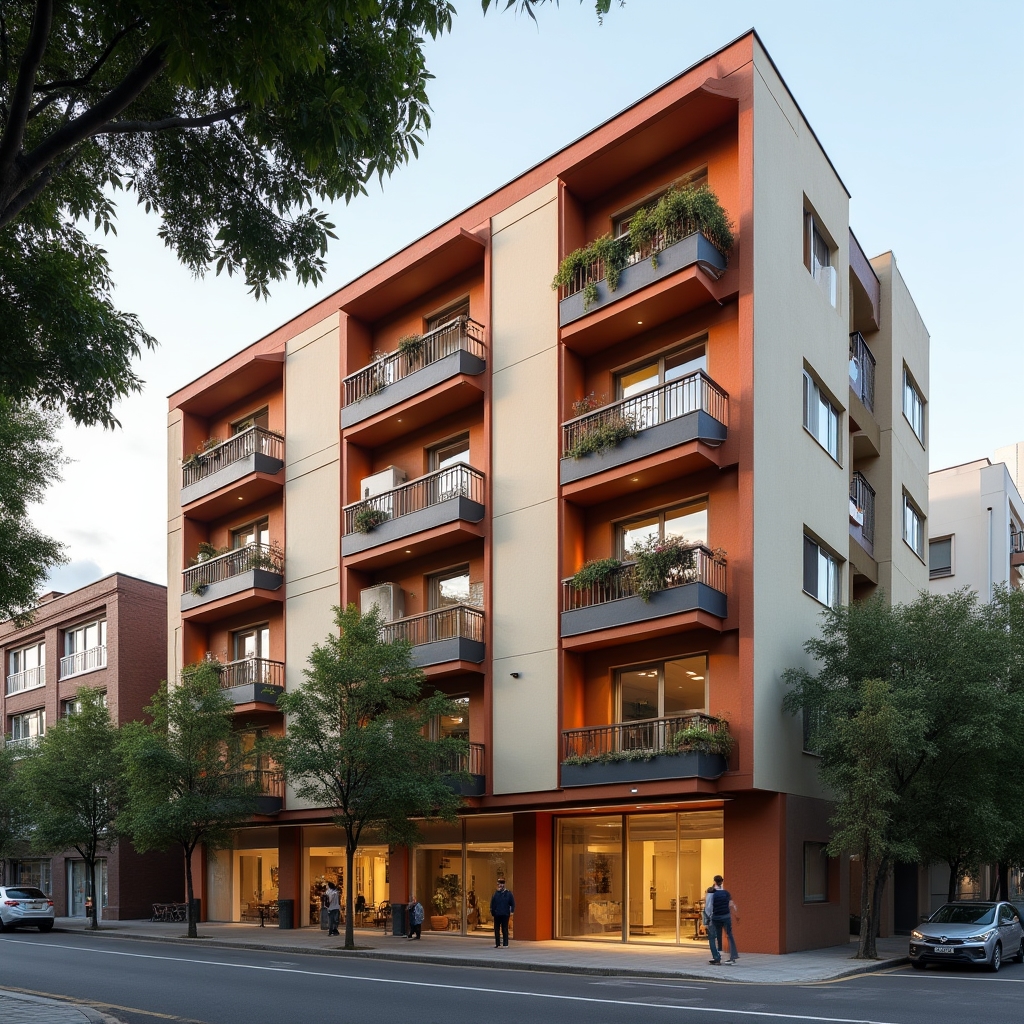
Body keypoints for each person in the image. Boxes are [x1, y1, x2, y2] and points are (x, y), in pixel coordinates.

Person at [705, 875, 739, 964]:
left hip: (716, 917)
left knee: (712, 937)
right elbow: (731, 904)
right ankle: (733, 957)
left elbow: (708, 907)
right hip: (726, 916)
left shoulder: (711, 892)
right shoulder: (726, 893)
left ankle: (717, 958)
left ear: (714, 881)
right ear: (722, 882)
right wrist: (735, 914)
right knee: (729, 935)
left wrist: (707, 919)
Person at [490, 878, 515, 948]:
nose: (500, 886)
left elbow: (512, 903)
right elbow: (492, 903)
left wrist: (512, 911)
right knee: (496, 929)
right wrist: (492, 912)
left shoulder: (508, 894)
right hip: (497, 914)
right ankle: (497, 943)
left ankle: (505, 943)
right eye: (498, 884)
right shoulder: (495, 894)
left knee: (504, 928)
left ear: (504, 885)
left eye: (501, 884)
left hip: (505, 914)